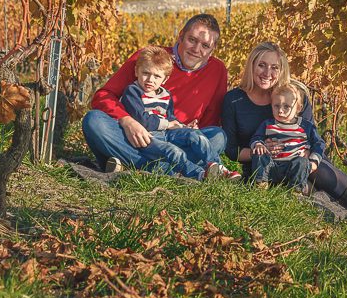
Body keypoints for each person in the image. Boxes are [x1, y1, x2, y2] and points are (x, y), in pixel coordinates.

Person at [221, 42, 347, 209]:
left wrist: (303, 157)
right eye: (261, 65)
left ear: (282, 70)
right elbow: (231, 150)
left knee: (319, 173)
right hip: (265, 165)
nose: (268, 73)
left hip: (301, 160)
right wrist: (258, 150)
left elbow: (312, 138)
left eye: (274, 67)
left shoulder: (295, 96)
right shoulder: (234, 100)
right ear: (251, 66)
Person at [83, 14, 230, 176]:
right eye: (192, 40)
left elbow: (211, 121)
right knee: (94, 121)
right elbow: (103, 95)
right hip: (138, 137)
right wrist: (127, 121)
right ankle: (173, 169)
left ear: (212, 49)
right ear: (181, 35)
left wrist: (194, 130)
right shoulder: (151, 58)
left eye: (205, 45)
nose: (196, 49)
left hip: (178, 137)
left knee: (218, 137)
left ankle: (136, 165)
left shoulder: (217, 71)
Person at [119, 45, 239, 181]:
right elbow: (142, 119)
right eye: (146, 73)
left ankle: (219, 168)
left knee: (196, 136)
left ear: (164, 80)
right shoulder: (133, 91)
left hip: (167, 133)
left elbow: (170, 118)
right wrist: (168, 124)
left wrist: (183, 127)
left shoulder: (165, 95)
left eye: (157, 76)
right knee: (174, 151)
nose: (150, 80)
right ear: (137, 71)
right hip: (148, 138)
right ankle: (198, 174)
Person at [250, 83, 325, 191]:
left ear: (298, 108)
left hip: (293, 167)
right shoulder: (268, 124)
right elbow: (256, 137)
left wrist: (314, 161)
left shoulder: (305, 126)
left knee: (302, 162)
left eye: (286, 107)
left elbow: (319, 143)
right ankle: (261, 183)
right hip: (271, 166)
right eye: (276, 106)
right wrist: (258, 144)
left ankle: (296, 188)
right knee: (260, 155)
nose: (280, 110)